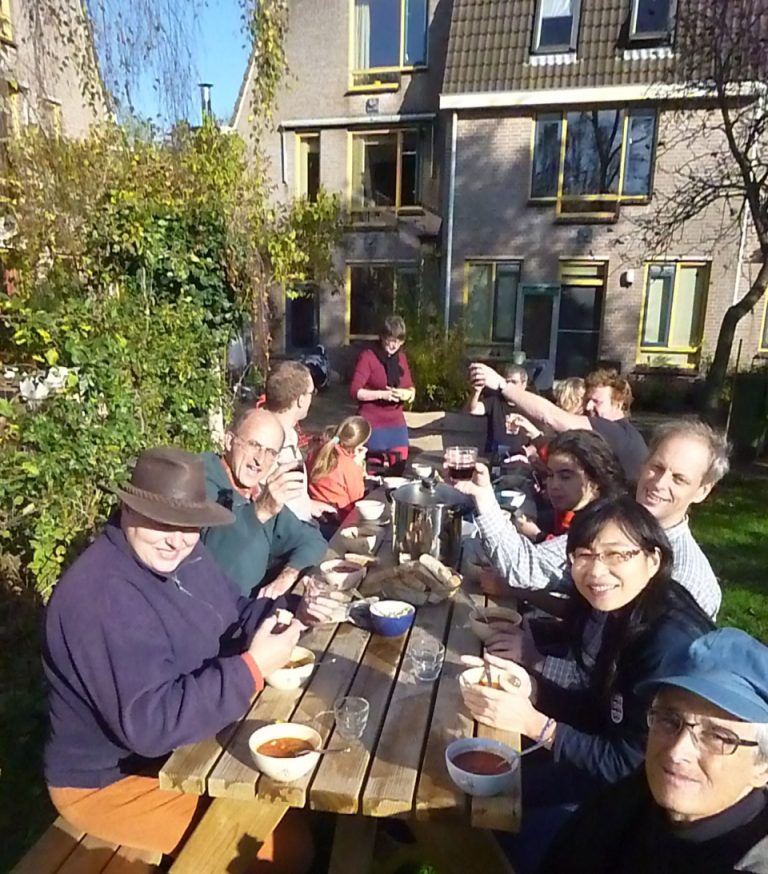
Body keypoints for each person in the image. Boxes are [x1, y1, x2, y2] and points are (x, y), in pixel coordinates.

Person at [42, 447, 335, 866]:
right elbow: (151, 723)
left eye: (190, 524)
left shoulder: (185, 553)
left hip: (181, 748)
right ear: (128, 508)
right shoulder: (100, 595)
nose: (177, 538)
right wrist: (251, 668)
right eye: (161, 521)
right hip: (109, 781)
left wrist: (291, 612)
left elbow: (233, 612)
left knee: (302, 791)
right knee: (278, 843)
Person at [461, 497, 713, 873]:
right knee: (490, 779)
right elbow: (603, 705)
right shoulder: (623, 606)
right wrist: (534, 689)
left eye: (616, 555)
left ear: (653, 559)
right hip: (607, 755)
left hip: (652, 806)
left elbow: (629, 764)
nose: (597, 570)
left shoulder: (667, 647)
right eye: (584, 554)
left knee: (494, 801)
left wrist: (535, 724)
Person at [541, 628, 768, 873]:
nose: (676, 751)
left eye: (717, 736)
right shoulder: (629, 798)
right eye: (670, 721)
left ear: (762, 767)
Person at [453, 419, 726, 622]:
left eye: (679, 479)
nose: (659, 483)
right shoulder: (613, 520)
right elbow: (529, 568)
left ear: (702, 491)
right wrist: (484, 497)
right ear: (644, 466)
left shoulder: (690, 581)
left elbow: (640, 678)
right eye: (656, 468)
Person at [201, 406, 327, 598]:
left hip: (251, 611)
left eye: (270, 452)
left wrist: (288, 575)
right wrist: (259, 511)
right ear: (228, 441)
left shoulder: (253, 492)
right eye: (254, 445)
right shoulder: (199, 482)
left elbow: (312, 539)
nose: (260, 460)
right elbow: (209, 563)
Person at [470, 363, 648, 482]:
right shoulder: (607, 434)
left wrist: (502, 385)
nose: (588, 406)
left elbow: (550, 415)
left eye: (597, 402)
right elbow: (564, 450)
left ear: (619, 403)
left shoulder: (616, 432)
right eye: (587, 400)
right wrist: (534, 445)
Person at [515, 429, 628, 542]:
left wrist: (537, 535)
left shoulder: (603, 524)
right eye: (549, 475)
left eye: (565, 477)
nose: (554, 485)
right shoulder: (569, 507)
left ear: (594, 479)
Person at [263, 360, 335, 521]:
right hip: (289, 536)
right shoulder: (268, 442)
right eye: (311, 393)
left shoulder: (289, 434)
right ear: (301, 400)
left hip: (303, 522)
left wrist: (309, 505)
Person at [350, 315, 415, 475]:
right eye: (390, 340)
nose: (394, 345)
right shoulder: (368, 357)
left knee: (399, 471)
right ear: (383, 337)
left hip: (396, 424)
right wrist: (382, 395)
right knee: (374, 475)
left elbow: (411, 388)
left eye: (399, 341)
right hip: (372, 424)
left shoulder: (401, 358)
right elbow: (355, 391)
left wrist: (407, 394)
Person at [307, 415, 371, 517]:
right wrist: (358, 466)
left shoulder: (317, 452)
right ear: (358, 446)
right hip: (339, 517)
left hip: (314, 513)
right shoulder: (348, 465)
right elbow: (357, 498)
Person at [466, 363, 529, 455]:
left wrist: (528, 452)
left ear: (524, 385)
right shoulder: (494, 401)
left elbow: (538, 439)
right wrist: (476, 391)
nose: (510, 386)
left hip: (520, 458)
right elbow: (473, 410)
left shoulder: (529, 407)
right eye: (508, 382)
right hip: (494, 456)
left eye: (514, 382)